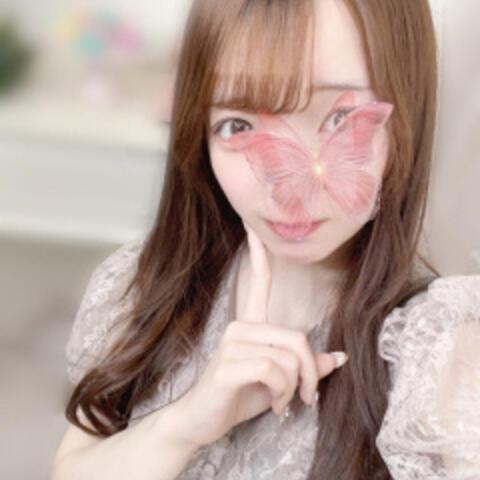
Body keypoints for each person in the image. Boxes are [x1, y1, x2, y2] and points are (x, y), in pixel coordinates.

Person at [50, 0, 480, 479]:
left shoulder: (441, 353)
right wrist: (184, 425)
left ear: (408, 110)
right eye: (239, 125)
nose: (285, 190)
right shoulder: (141, 289)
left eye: (339, 118)